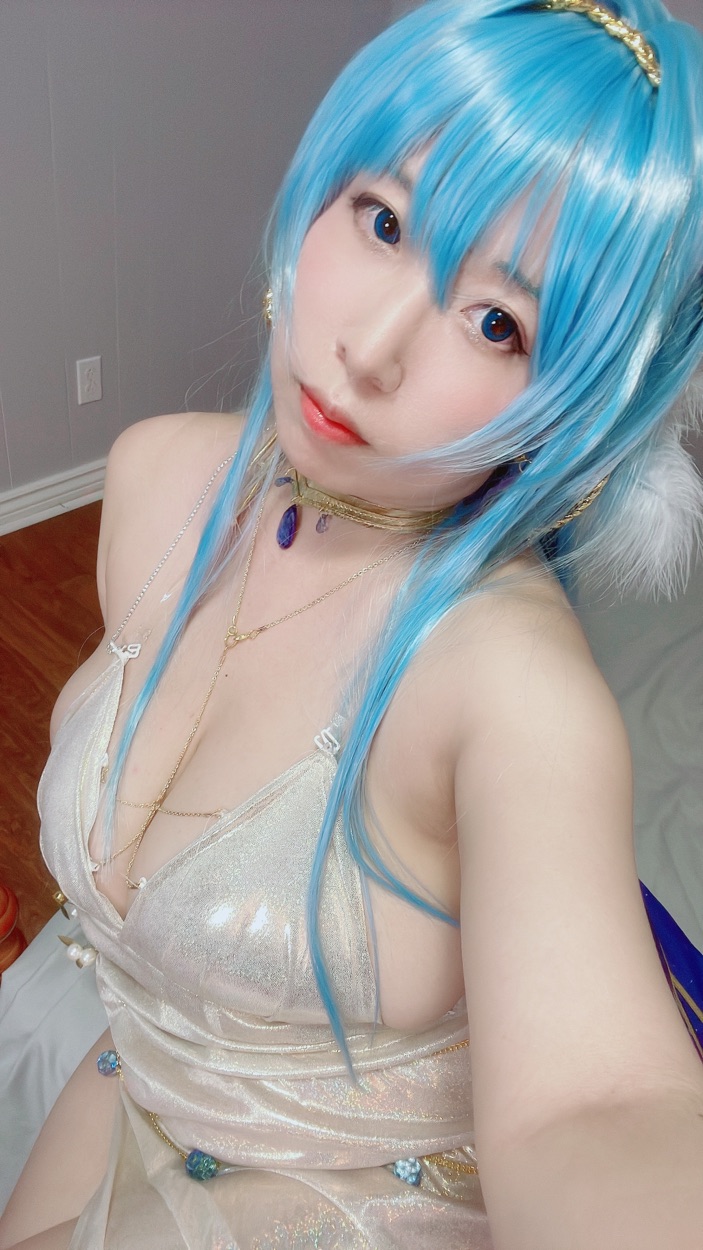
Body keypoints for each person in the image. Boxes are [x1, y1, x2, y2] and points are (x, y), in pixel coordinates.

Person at [2, 0, 703, 1246]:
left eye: (498, 323)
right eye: (382, 220)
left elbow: (598, 1106)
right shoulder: (156, 475)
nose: (370, 349)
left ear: (574, 408)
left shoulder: (510, 689)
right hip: (144, 1077)